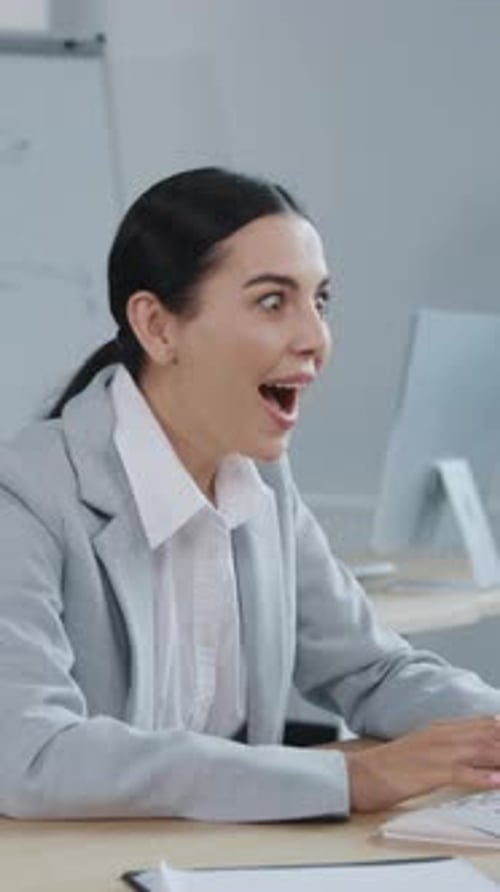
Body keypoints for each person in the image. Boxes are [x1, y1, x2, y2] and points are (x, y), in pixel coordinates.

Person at [1, 167, 500, 822]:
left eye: (320, 301)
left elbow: (371, 671)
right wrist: (354, 778)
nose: (315, 339)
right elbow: (32, 754)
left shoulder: (258, 482)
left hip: (214, 862)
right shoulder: (25, 497)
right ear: (157, 326)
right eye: (273, 301)